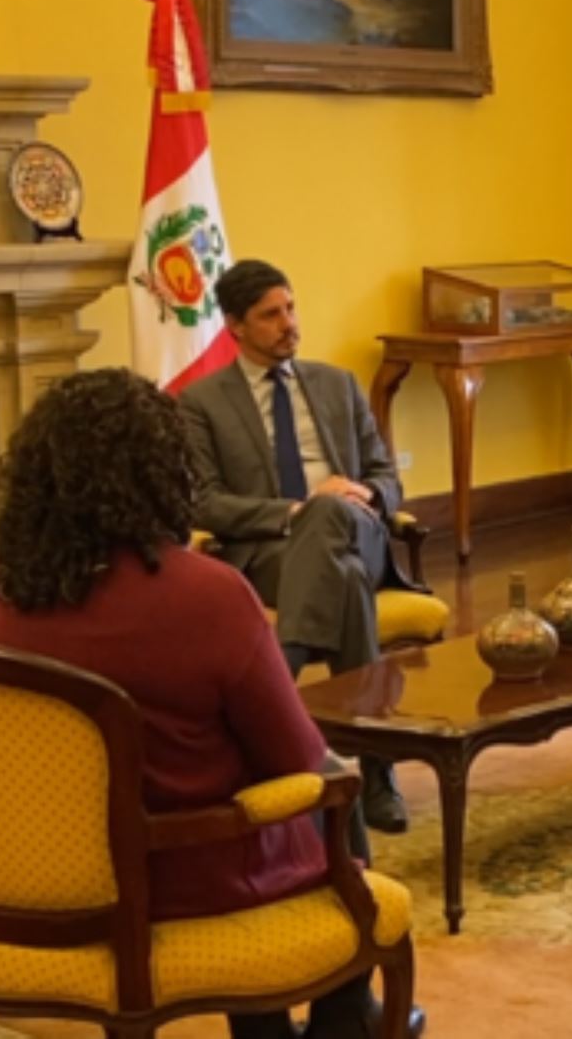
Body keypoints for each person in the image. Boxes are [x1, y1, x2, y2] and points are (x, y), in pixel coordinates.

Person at [0, 370, 423, 1039]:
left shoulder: (2, 595)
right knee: (335, 783)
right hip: (194, 872)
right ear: (163, 470)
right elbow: (292, 757)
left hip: (66, 866)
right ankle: (346, 1017)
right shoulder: (207, 594)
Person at [179, 259, 413, 832]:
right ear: (234, 325)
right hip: (271, 551)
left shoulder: (337, 384)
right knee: (347, 579)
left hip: (360, 530)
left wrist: (364, 496)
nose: (289, 324)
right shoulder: (202, 403)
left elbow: (388, 475)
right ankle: (376, 775)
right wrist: (298, 512)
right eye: (270, 315)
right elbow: (203, 503)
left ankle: (280, 683)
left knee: (336, 519)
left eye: (291, 308)